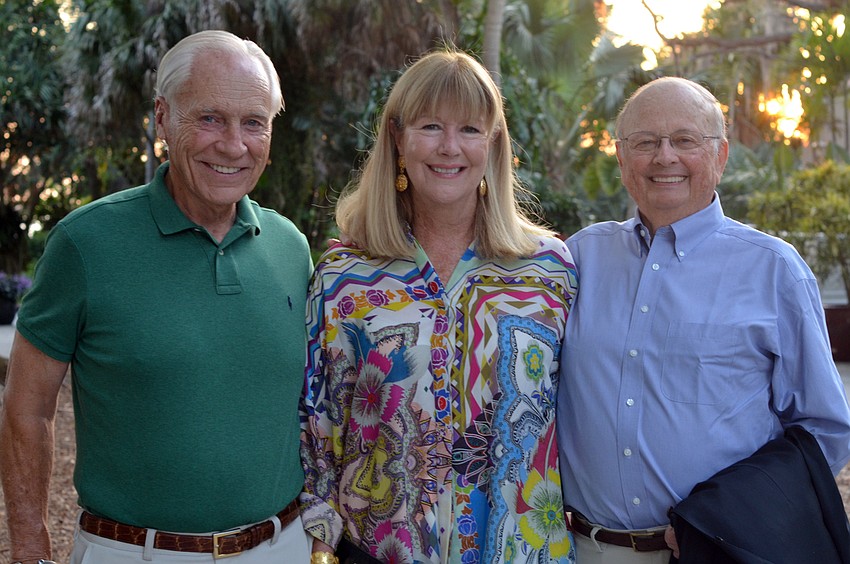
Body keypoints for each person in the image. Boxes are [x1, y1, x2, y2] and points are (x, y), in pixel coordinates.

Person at [0, 30, 312, 563]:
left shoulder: (290, 248)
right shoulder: (85, 245)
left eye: (253, 123)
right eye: (210, 118)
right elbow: (26, 408)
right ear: (163, 118)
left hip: (281, 548)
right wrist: (30, 545)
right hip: (131, 553)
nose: (234, 144)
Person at [298, 50, 578, 564]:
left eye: (471, 129)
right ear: (398, 140)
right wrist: (320, 545)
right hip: (380, 553)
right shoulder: (344, 279)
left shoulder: (551, 271)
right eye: (431, 126)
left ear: (493, 145)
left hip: (522, 550)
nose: (451, 148)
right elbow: (320, 429)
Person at [556, 75, 850, 563]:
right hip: (583, 549)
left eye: (685, 140)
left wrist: (736, 519)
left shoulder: (774, 270)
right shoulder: (578, 258)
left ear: (721, 155)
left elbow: (825, 429)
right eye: (645, 142)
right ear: (622, 157)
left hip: (715, 553)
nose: (664, 156)